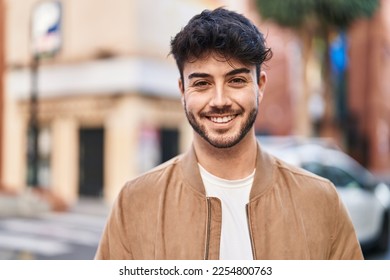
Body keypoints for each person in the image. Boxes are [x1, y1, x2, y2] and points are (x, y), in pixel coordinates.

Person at [95, 7, 363, 260]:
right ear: (182, 91)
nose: (219, 100)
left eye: (236, 80)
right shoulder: (134, 203)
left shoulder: (320, 201)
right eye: (202, 83)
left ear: (260, 85)